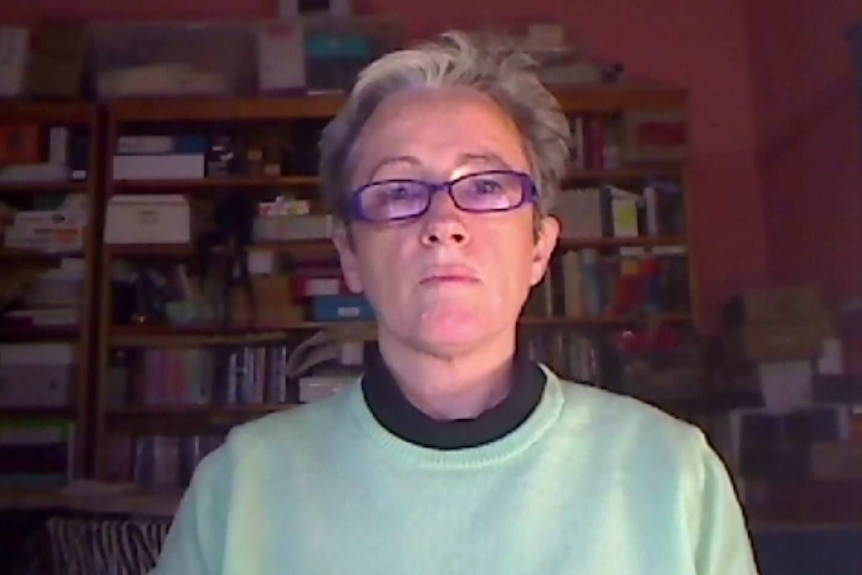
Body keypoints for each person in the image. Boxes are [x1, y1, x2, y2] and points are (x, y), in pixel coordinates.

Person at [150, 30, 760, 575]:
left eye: (487, 185)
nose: (444, 223)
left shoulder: (674, 476)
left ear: (539, 249)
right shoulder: (239, 490)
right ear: (350, 255)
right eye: (397, 190)